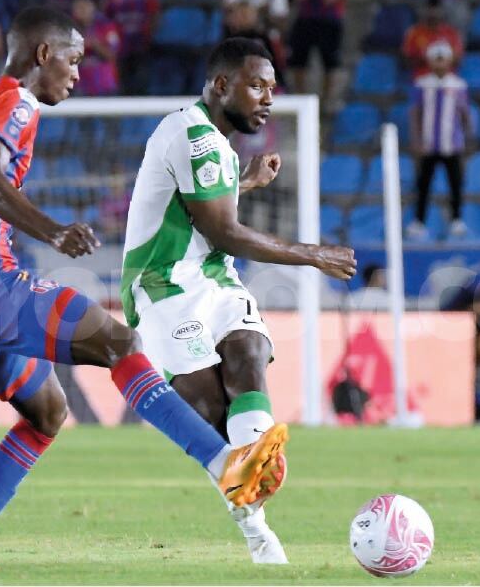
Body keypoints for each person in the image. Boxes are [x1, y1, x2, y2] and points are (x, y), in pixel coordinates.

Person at [0, 6, 290, 570]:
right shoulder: (15, 101)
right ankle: (224, 464)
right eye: (73, 60)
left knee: (45, 412)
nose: (76, 74)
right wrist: (53, 229)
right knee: (120, 344)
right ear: (44, 54)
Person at [120, 37, 357, 564]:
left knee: (249, 354)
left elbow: (198, 211)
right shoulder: (194, 138)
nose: (268, 99)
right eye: (257, 86)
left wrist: (242, 184)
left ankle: (253, 459)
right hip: (162, 288)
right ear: (222, 85)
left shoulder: (218, 147)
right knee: (212, 415)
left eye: (272, 88)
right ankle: (257, 529)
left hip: (212, 280)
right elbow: (223, 232)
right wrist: (312, 254)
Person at [407, 41, 473, 240]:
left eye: (442, 59)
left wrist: (469, 136)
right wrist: (416, 139)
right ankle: (419, 221)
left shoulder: (458, 85)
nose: (439, 64)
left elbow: (464, 113)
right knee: (423, 184)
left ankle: (457, 220)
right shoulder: (422, 84)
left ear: (449, 61)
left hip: (451, 144)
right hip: (428, 145)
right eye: (436, 59)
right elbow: (415, 112)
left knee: (455, 183)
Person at [286, 0, 345, 109]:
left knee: (330, 62)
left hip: (330, 19)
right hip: (306, 17)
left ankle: (326, 100)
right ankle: (300, 97)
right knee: (299, 60)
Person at [401, 0, 463, 79]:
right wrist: (428, 58)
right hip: (422, 78)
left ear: (441, 11)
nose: (433, 13)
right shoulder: (414, 33)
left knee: (458, 85)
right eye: (429, 9)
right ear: (424, 10)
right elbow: (406, 61)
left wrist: (441, 60)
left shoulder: (451, 33)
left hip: (447, 79)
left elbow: (458, 60)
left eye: (436, 9)